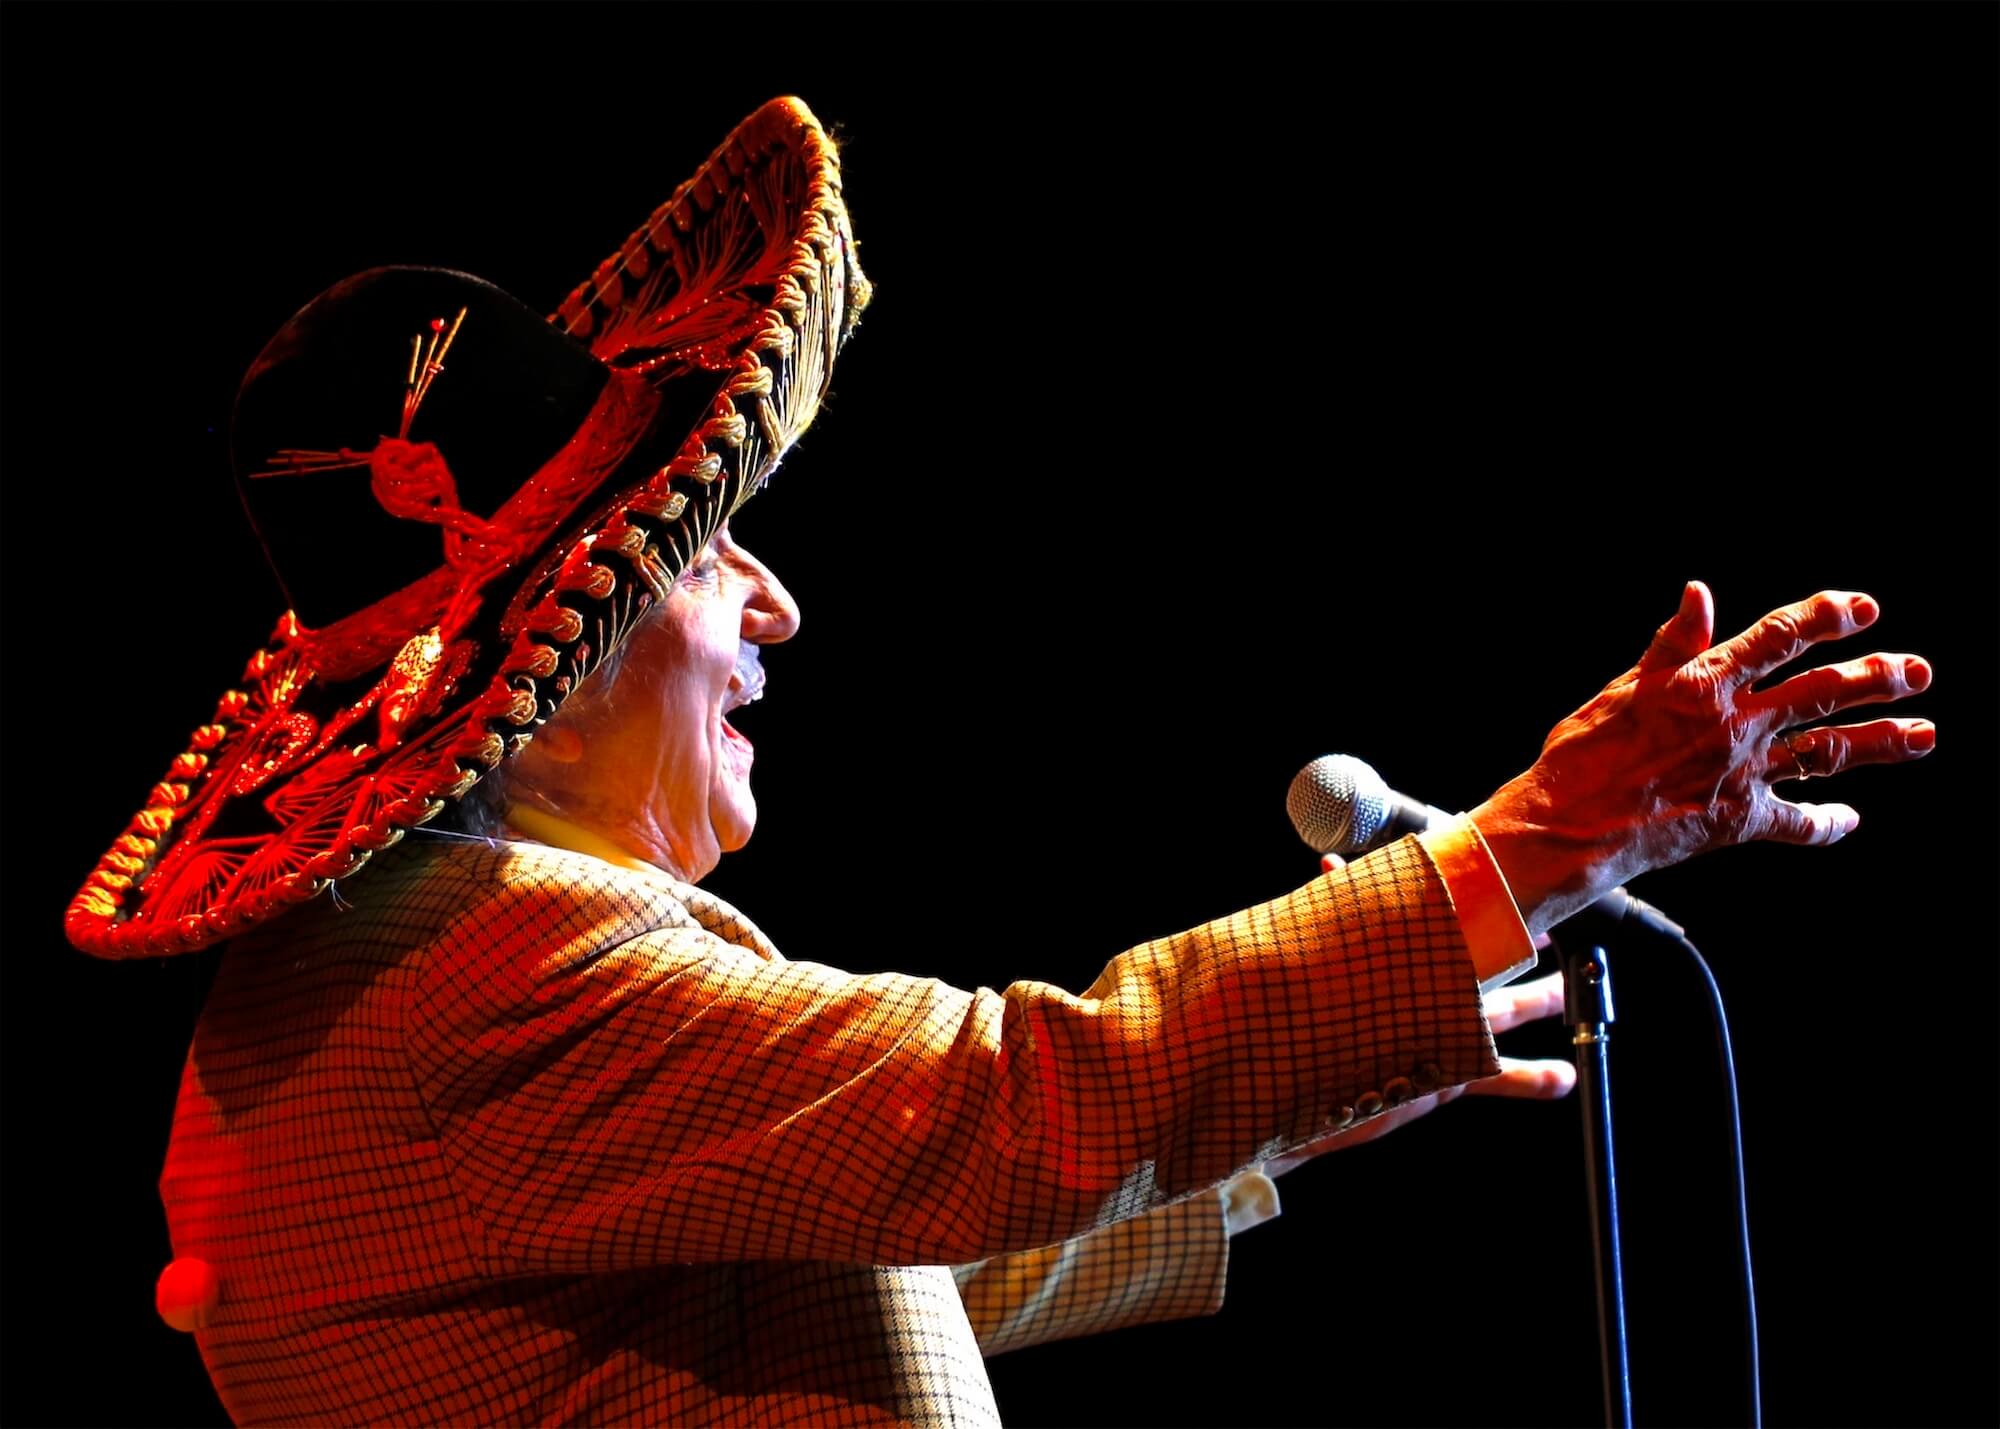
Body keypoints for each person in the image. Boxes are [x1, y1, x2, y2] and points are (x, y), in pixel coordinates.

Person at [69, 98, 1937, 1426]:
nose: (776, 601)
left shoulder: (388, 974)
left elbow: (854, 1259)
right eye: (707, 548)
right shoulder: (474, 975)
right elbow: (998, 1104)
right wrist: (1544, 835)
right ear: (537, 670)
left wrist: (1303, 1090)